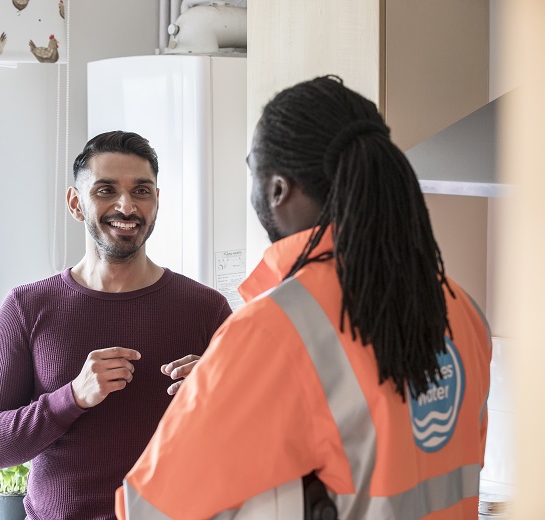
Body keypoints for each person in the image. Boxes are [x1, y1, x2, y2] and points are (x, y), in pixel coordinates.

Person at [117, 76, 492, 519]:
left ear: (277, 189)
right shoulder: (460, 308)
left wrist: (222, 387)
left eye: (250, 167)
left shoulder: (277, 330)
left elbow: (150, 509)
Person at [0, 130, 232, 520]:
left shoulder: (207, 309)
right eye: (106, 190)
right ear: (76, 204)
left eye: (141, 191)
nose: (126, 206)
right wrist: (72, 397)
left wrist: (220, 396)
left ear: (157, 202)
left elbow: (260, 440)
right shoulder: (27, 307)